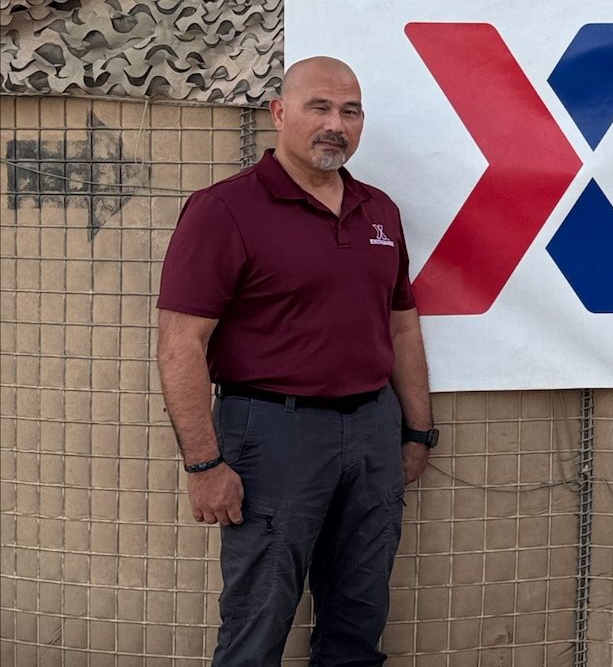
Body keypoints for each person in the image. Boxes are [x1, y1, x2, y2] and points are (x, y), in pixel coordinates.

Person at [156, 56, 436, 667]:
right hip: (271, 434)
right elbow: (181, 343)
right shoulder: (223, 210)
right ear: (279, 114)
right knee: (259, 619)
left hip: (371, 430)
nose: (336, 124)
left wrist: (417, 430)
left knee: (358, 618)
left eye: (350, 110)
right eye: (320, 107)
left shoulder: (379, 211)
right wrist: (203, 462)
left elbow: (402, 324)